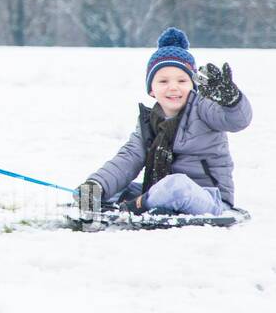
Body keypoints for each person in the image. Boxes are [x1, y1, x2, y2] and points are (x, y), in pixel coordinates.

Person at [76, 27, 252, 216]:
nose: (173, 87)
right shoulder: (148, 123)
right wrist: (96, 185)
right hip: (160, 191)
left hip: (208, 198)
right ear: (151, 90)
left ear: (194, 85)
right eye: (163, 81)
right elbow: (127, 160)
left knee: (176, 185)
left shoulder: (204, 109)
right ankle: (113, 203)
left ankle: (134, 206)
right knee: (116, 188)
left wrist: (231, 100)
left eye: (182, 81)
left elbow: (237, 120)